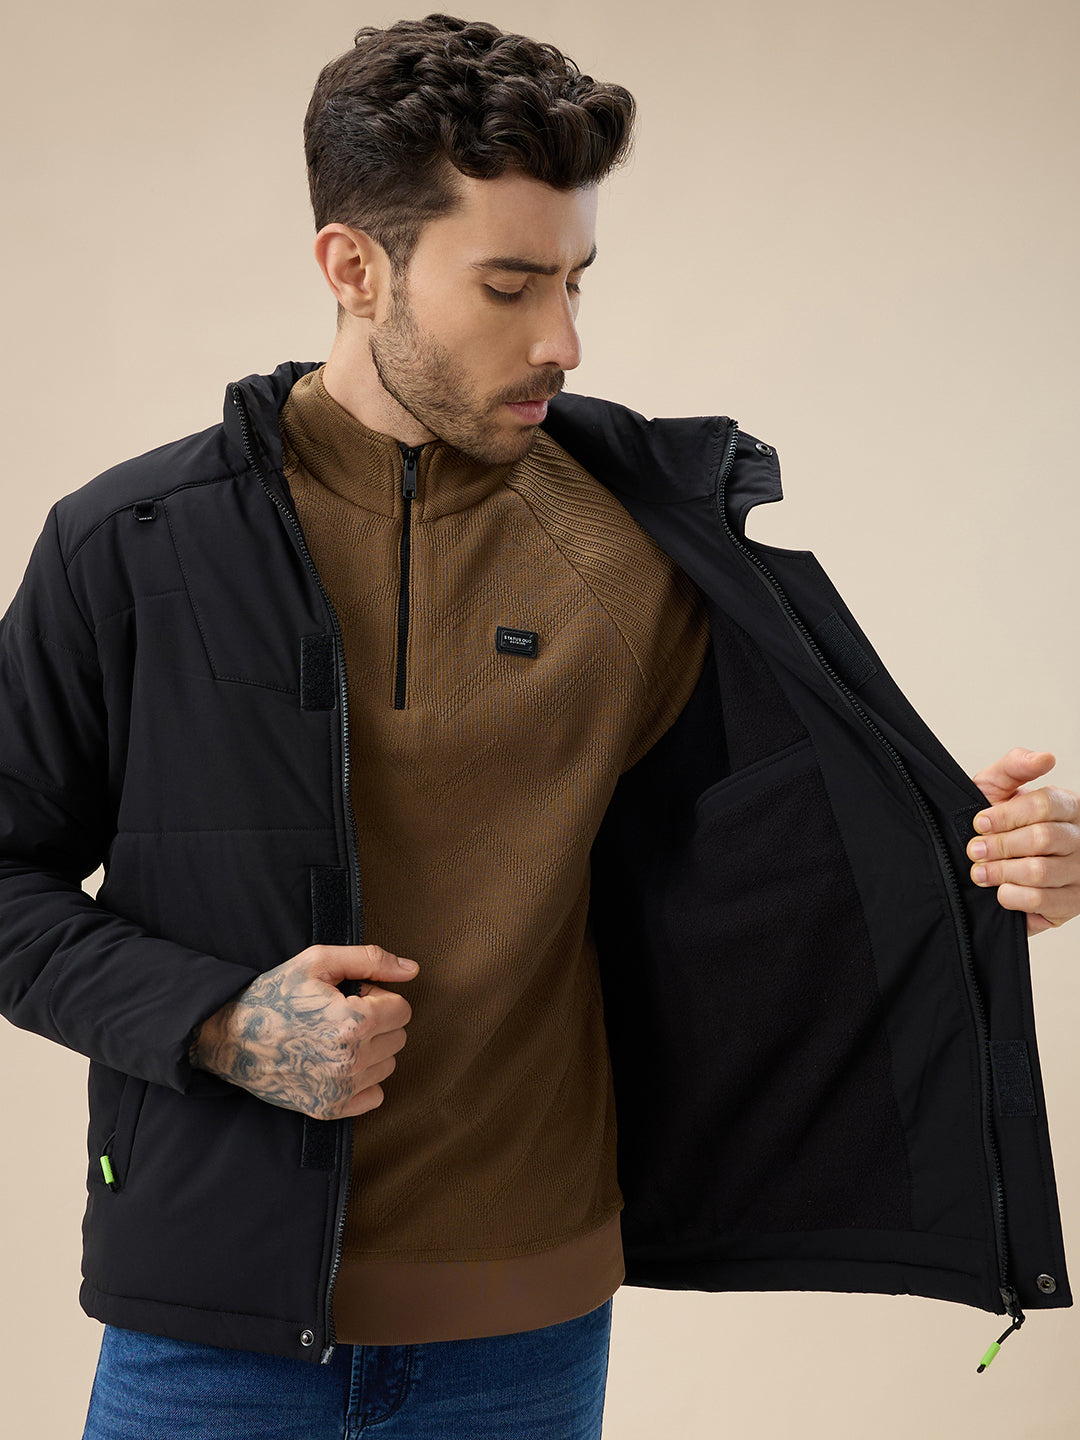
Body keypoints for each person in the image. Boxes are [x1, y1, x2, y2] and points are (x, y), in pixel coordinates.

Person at [0, 13, 1075, 1439]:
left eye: (573, 280)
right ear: (353, 266)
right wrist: (215, 1022)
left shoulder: (640, 548)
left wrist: (988, 857)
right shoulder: (133, 544)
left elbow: (783, 863)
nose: (561, 338)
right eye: (508, 285)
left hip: (526, 1339)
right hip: (208, 1327)